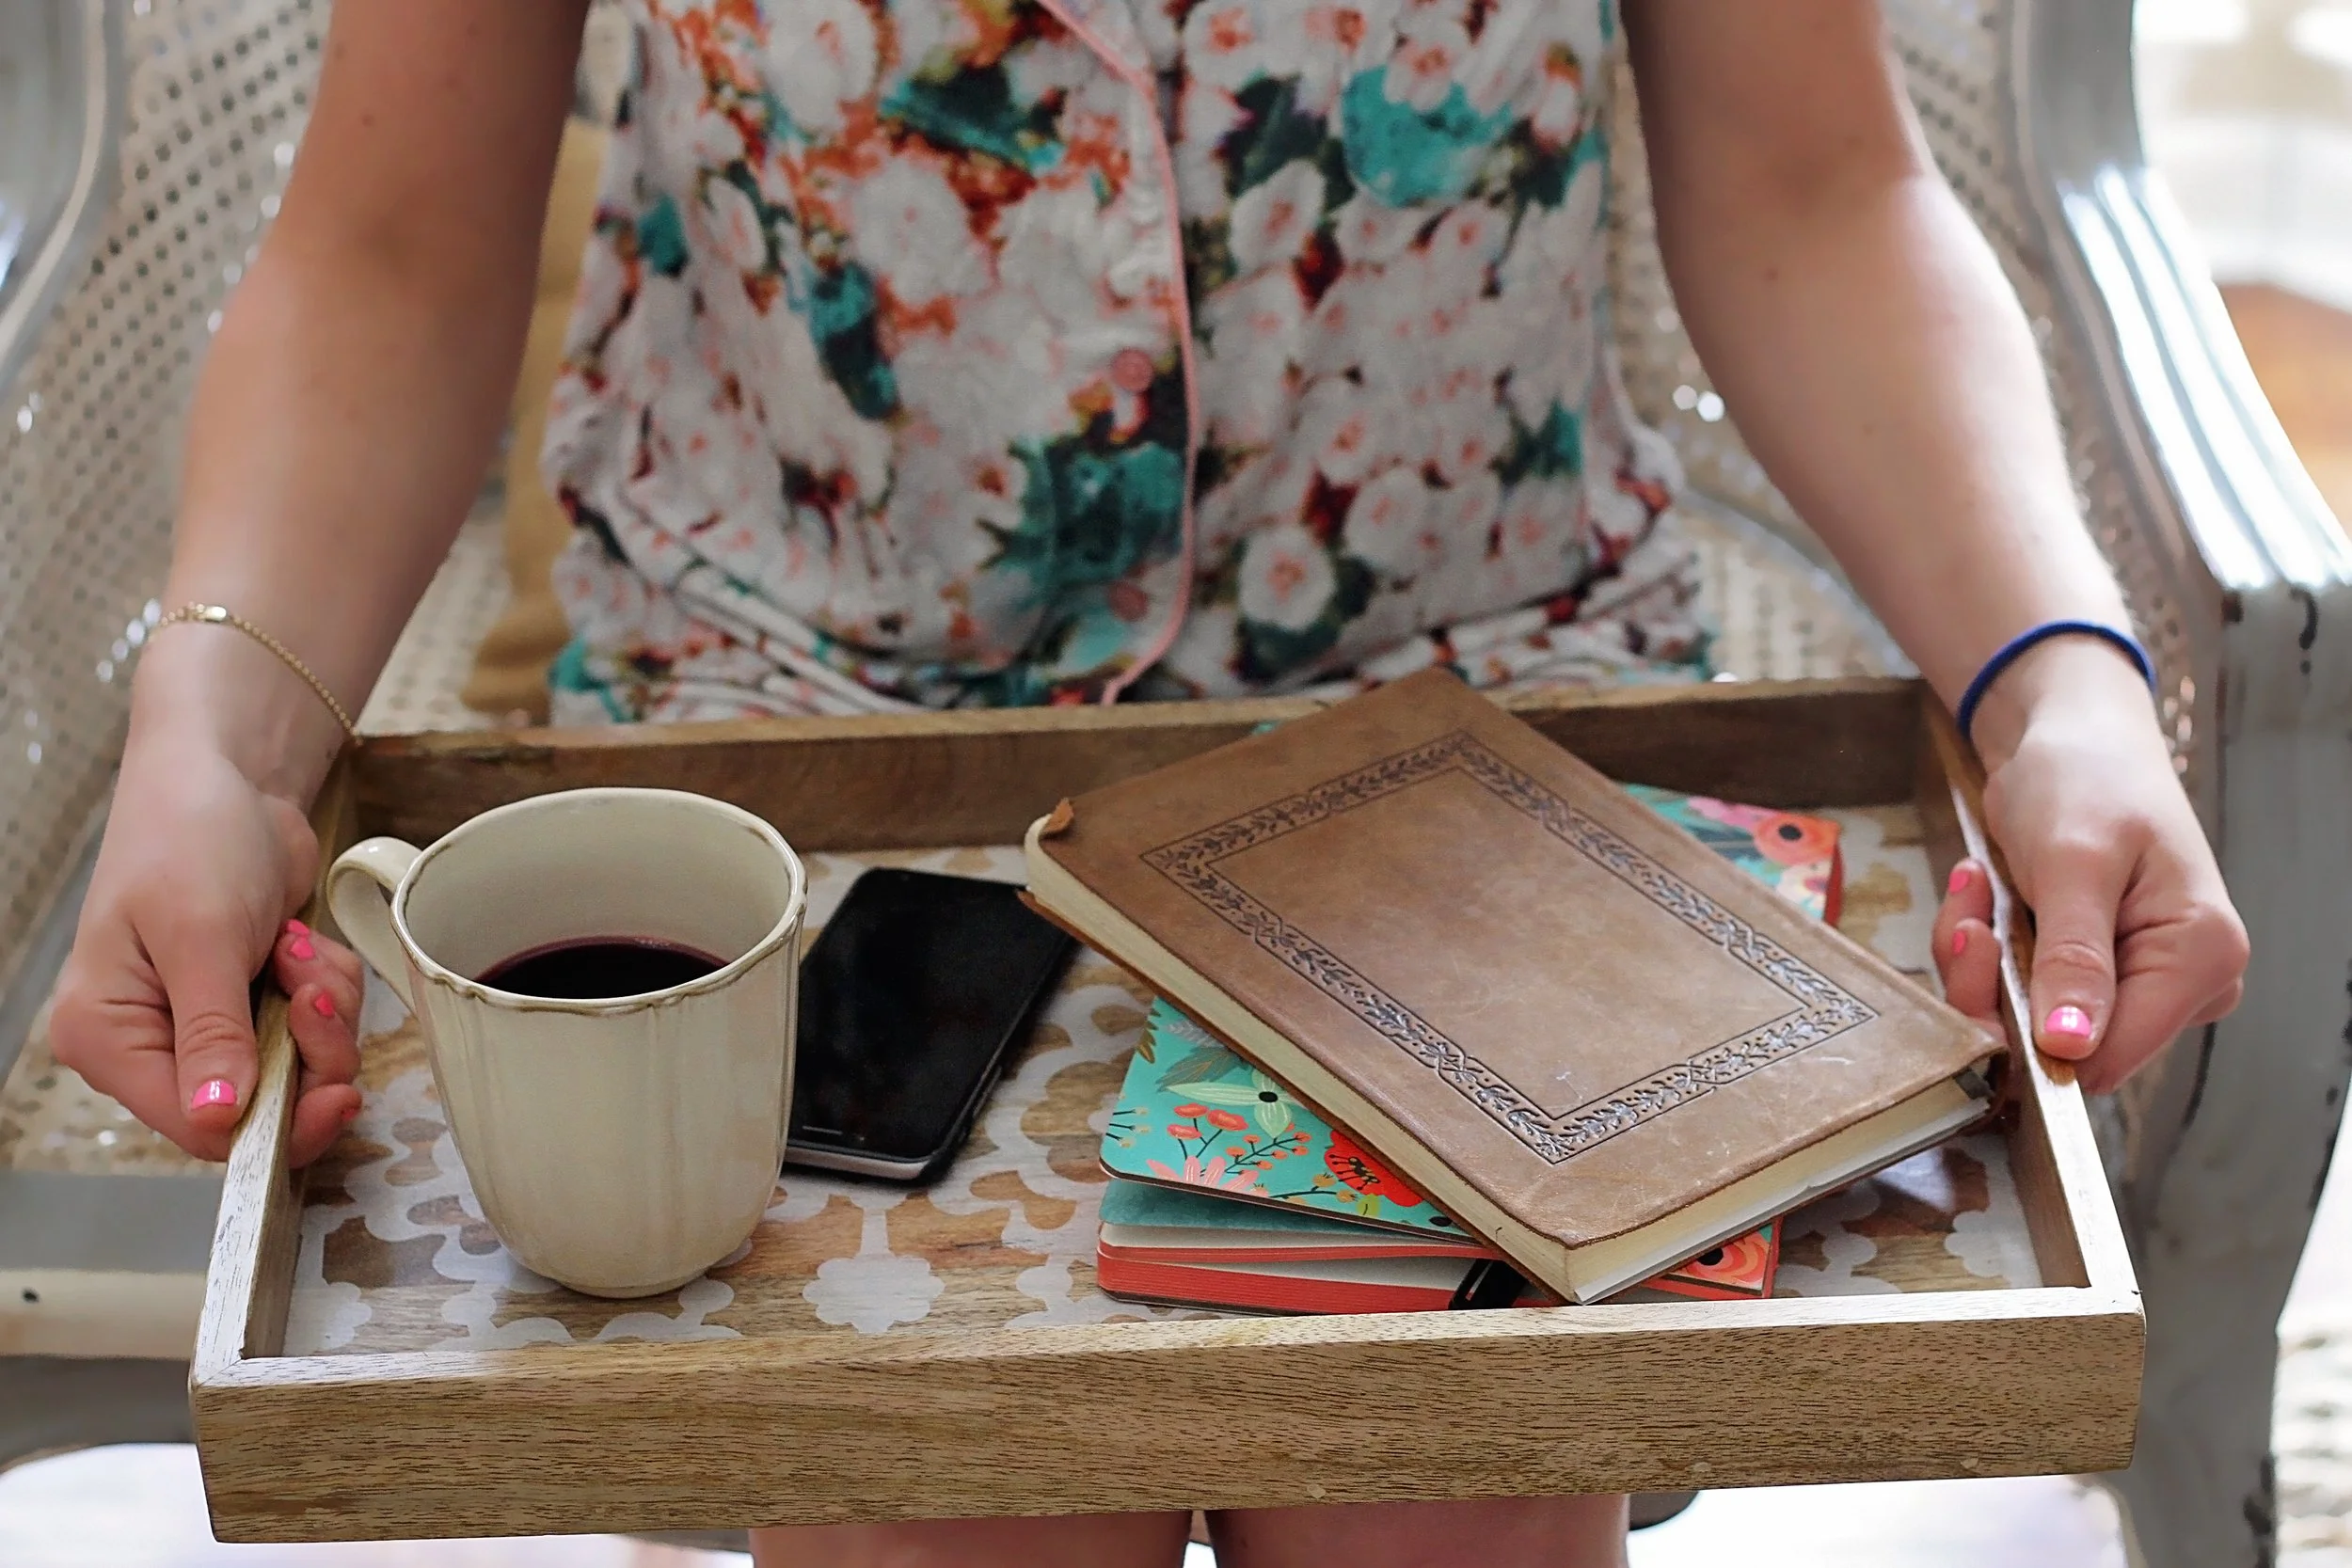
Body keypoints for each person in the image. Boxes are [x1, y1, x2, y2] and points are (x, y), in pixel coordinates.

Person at [49, 0, 2248, 1563]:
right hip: (804, 730)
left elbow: (1811, 181)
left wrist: (2050, 682)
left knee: (1443, 1496)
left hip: (1473, 707)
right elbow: (394, 235)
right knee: (948, 1495)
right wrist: (217, 735)